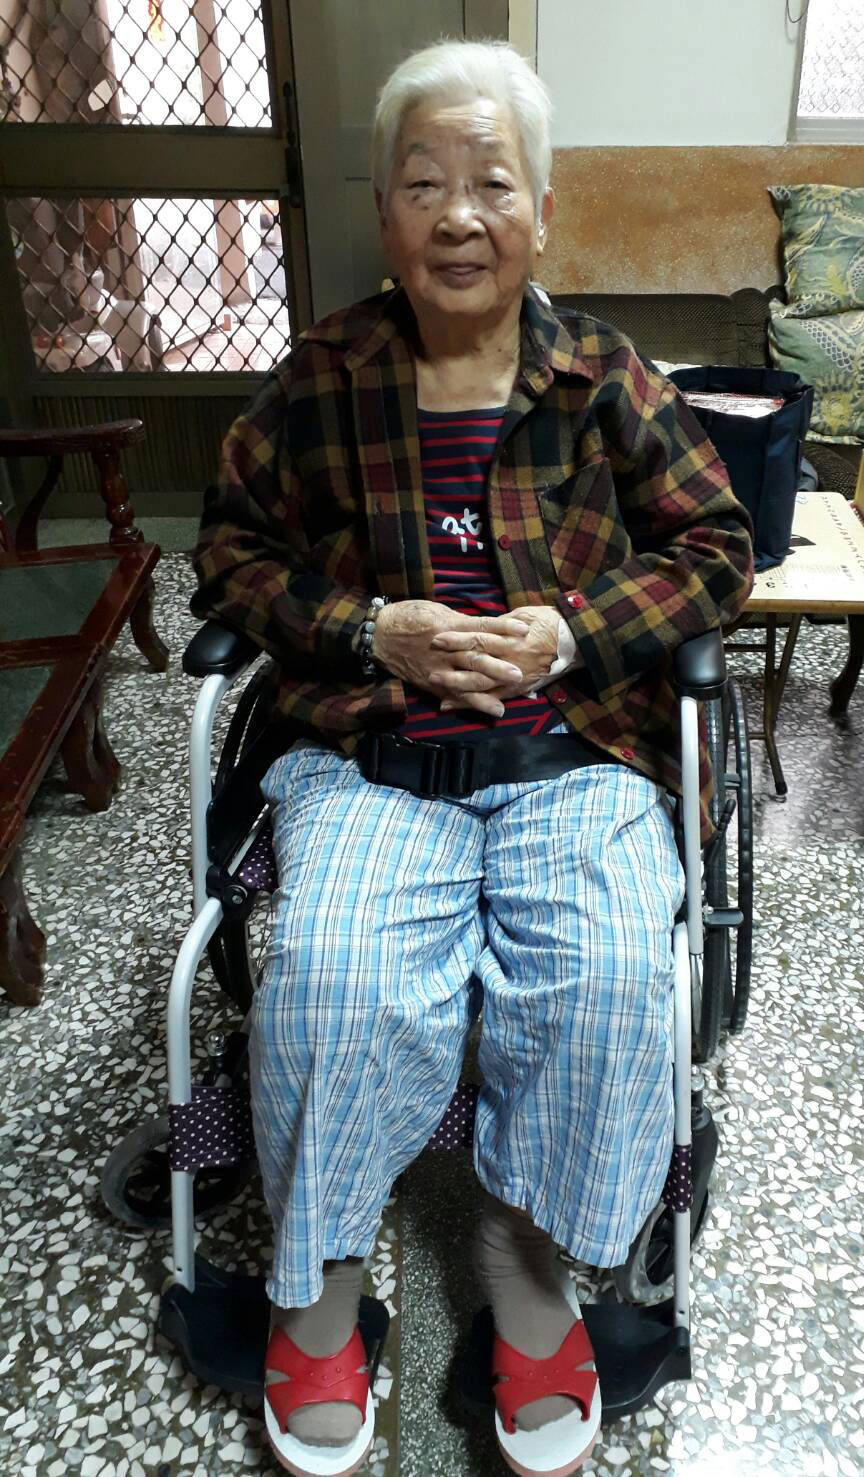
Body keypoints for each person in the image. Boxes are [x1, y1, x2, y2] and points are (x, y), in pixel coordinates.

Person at [192, 37, 753, 1477]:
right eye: (424, 184)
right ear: (384, 214)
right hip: (373, 757)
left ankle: (526, 1261)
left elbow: (717, 546)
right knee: (333, 975)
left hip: (576, 752)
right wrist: (368, 630)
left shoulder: (604, 375)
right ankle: (319, 1282)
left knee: (611, 976)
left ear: (541, 212)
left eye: (492, 184)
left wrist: (573, 631)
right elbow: (230, 554)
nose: (458, 216)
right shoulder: (322, 378)